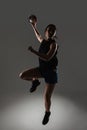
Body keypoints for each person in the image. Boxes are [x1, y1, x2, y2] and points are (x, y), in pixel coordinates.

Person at [19, 15, 59, 125]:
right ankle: (35, 81)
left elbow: (47, 57)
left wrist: (33, 51)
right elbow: (38, 36)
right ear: (46, 31)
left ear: (54, 33)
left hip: (51, 72)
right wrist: (33, 26)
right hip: (42, 70)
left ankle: (47, 112)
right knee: (22, 75)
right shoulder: (44, 41)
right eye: (49, 30)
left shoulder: (54, 44)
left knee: (46, 97)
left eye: (53, 31)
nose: (51, 31)